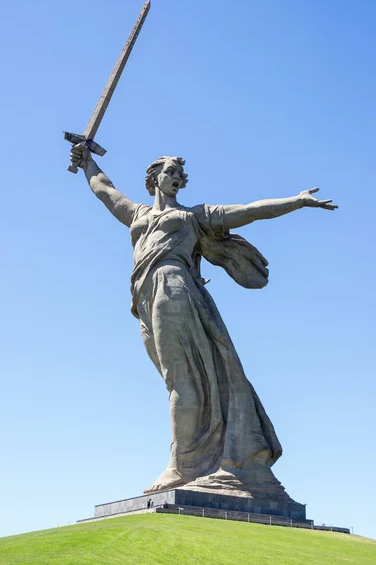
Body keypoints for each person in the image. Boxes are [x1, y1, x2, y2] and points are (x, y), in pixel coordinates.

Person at [69, 146, 337, 496]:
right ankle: (192, 459)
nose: (176, 180)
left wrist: (297, 201)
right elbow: (104, 188)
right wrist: (86, 159)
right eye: (170, 173)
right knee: (174, 380)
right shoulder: (138, 213)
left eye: (180, 176)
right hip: (144, 298)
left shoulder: (193, 216)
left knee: (182, 380)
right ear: (154, 179)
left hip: (173, 286)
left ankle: (180, 467)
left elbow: (249, 212)